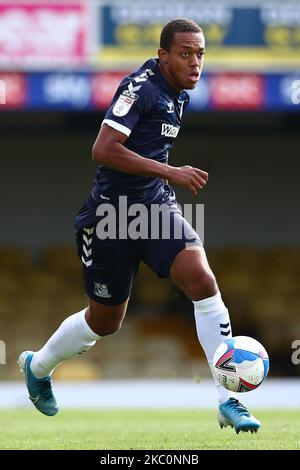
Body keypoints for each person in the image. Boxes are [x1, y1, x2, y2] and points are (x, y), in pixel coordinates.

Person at [18, 18, 260, 433]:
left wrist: (162, 181)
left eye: (200, 54)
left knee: (202, 281)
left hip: (155, 209)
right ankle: (37, 368)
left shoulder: (178, 93)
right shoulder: (141, 88)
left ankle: (229, 399)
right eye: (185, 54)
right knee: (105, 322)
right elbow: (103, 149)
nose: (195, 63)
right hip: (111, 216)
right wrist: (171, 172)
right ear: (163, 55)